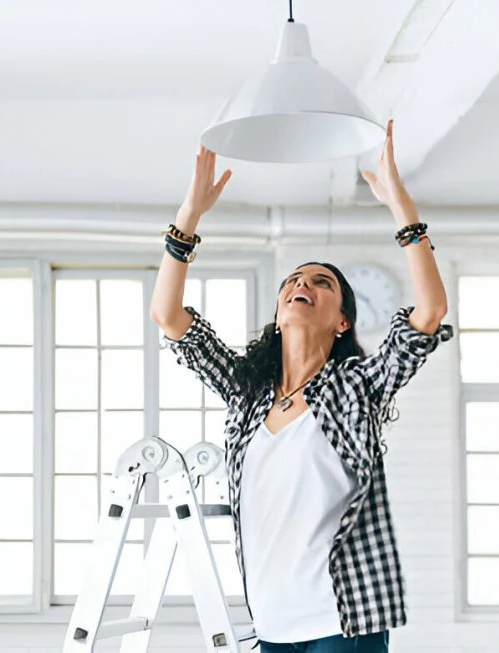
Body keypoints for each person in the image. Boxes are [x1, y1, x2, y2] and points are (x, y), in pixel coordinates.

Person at [149, 120, 452, 652]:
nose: (301, 285)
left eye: (321, 282)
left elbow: (428, 314)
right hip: (271, 624)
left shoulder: (355, 387)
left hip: (340, 619)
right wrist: (188, 219)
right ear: (279, 311)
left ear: (342, 321)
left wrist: (403, 212)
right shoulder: (248, 394)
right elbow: (168, 316)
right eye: (293, 280)